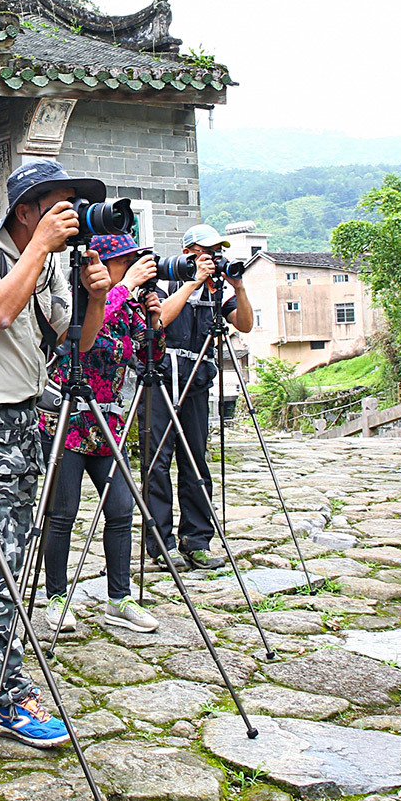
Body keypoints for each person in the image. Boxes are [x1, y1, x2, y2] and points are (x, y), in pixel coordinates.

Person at [0, 160, 111, 749]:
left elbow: (73, 344)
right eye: (60, 205)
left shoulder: (53, 266)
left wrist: (93, 300)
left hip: (21, 418)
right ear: (28, 210)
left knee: (4, 554)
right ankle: (7, 695)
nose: (72, 218)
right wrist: (39, 249)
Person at [38, 233, 166, 635]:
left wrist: (154, 318)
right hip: (67, 422)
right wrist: (122, 288)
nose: (130, 270)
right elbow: (83, 338)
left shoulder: (128, 307)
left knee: (121, 510)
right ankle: (56, 597)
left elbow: (150, 355)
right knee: (62, 513)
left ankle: (119, 598)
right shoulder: (77, 304)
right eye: (123, 262)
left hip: (108, 424)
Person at [146, 223, 254, 570]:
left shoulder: (218, 289)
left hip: (197, 382)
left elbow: (246, 324)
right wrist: (193, 281)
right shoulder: (166, 278)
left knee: (195, 461)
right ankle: (160, 544)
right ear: (189, 251)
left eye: (217, 253)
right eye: (206, 252)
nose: (213, 259)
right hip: (162, 378)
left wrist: (238, 285)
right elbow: (160, 319)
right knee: (157, 463)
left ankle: (197, 540)